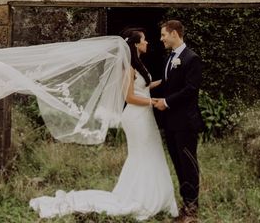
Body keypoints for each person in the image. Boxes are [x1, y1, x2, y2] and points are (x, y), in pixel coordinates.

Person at [29, 28, 179, 221]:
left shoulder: (137, 64)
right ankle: (142, 197)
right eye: (144, 40)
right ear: (135, 44)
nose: (148, 42)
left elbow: (143, 87)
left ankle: (152, 195)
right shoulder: (129, 68)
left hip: (145, 116)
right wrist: (153, 102)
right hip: (135, 117)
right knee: (142, 153)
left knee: (151, 152)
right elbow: (130, 96)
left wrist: (165, 81)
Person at [154, 20, 203, 223]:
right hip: (171, 123)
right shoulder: (169, 58)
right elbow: (167, 83)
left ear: (174, 33)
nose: (161, 38)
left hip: (185, 123)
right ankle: (185, 203)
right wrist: (143, 87)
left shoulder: (192, 58)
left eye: (164, 34)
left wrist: (166, 102)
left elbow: (191, 89)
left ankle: (192, 209)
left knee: (188, 165)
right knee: (178, 164)